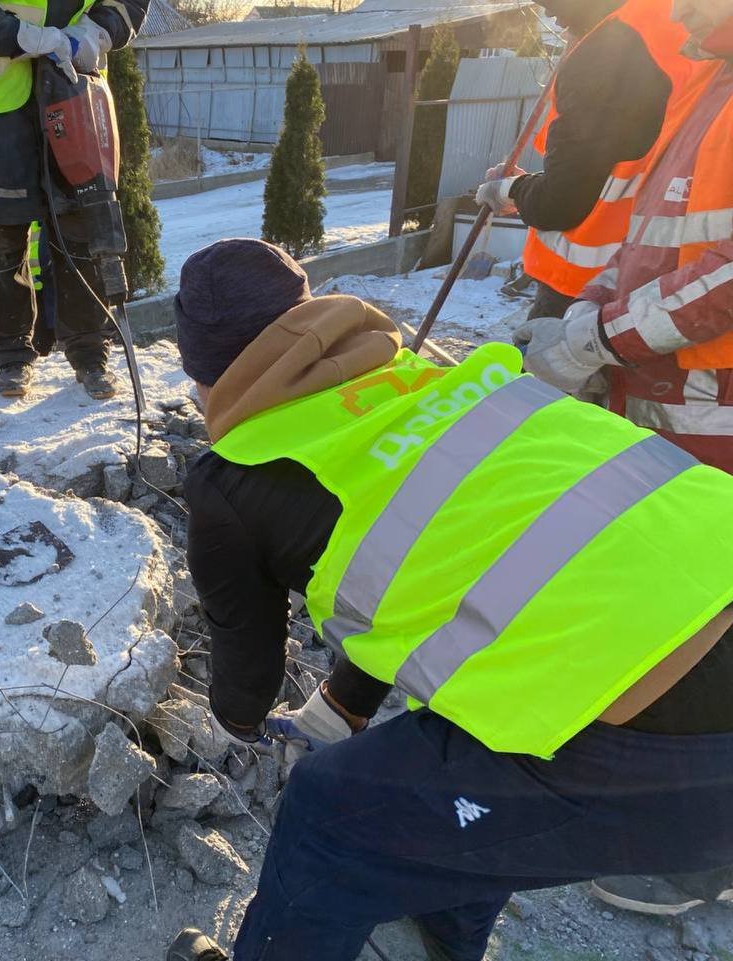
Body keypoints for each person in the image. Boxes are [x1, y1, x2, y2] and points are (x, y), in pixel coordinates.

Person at [162, 238, 733, 961]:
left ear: (207, 376)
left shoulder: (235, 477)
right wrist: (345, 701)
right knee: (471, 714)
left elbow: (248, 679)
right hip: (699, 584)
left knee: (326, 809)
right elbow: (431, 551)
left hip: (680, 741)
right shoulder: (439, 380)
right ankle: (448, 930)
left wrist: (238, 721)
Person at [510, 0, 733, 911]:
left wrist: (598, 335)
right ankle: (656, 801)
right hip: (674, 398)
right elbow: (652, 242)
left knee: (712, 622)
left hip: (717, 404)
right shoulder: (711, 82)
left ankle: (704, 854)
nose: (677, 7)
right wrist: (583, 321)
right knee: (669, 604)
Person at [0, 0, 147, 400]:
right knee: (2, 245)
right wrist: (18, 36)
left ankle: (91, 354)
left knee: (82, 235)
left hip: (75, 93)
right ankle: (13, 357)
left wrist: (96, 31)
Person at [475, 0, 694, 321]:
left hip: (586, 292)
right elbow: (610, 165)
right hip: (659, 278)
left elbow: (560, 203)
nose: (548, 13)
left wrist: (510, 190)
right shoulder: (682, 30)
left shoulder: (605, 55)